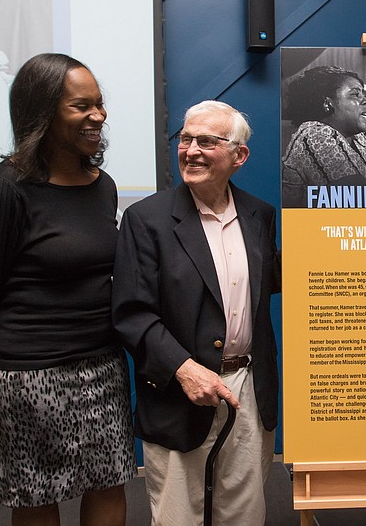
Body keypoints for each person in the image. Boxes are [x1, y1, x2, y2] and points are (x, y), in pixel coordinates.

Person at [0, 53, 136, 525]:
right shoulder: (4, 189)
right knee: (35, 495)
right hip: (27, 374)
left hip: (102, 366)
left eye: (100, 104)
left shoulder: (101, 184)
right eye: (81, 106)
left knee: (111, 480)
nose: (98, 116)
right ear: (42, 114)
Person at [112, 100, 281, 525]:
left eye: (207, 141)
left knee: (245, 513)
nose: (190, 151)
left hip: (250, 391)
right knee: (177, 516)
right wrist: (185, 370)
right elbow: (133, 314)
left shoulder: (260, 215)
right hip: (178, 394)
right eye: (185, 139)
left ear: (239, 156)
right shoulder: (145, 220)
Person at [281, 65, 366, 207]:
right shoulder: (314, 134)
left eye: (363, 94)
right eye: (355, 94)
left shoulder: (360, 139)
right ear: (327, 103)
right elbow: (360, 199)